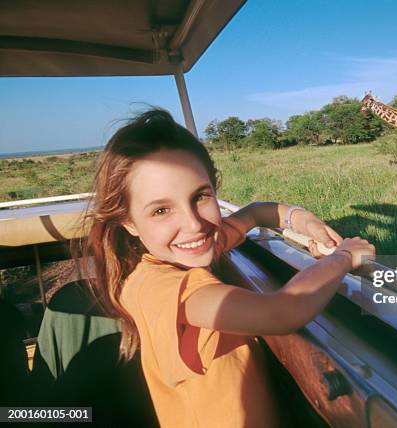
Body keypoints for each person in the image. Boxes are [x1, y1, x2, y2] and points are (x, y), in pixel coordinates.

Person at [85, 109, 375, 427]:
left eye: (200, 196)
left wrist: (304, 221)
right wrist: (343, 257)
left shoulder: (187, 249)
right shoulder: (163, 288)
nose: (193, 224)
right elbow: (281, 312)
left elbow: (256, 213)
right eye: (161, 210)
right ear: (128, 222)